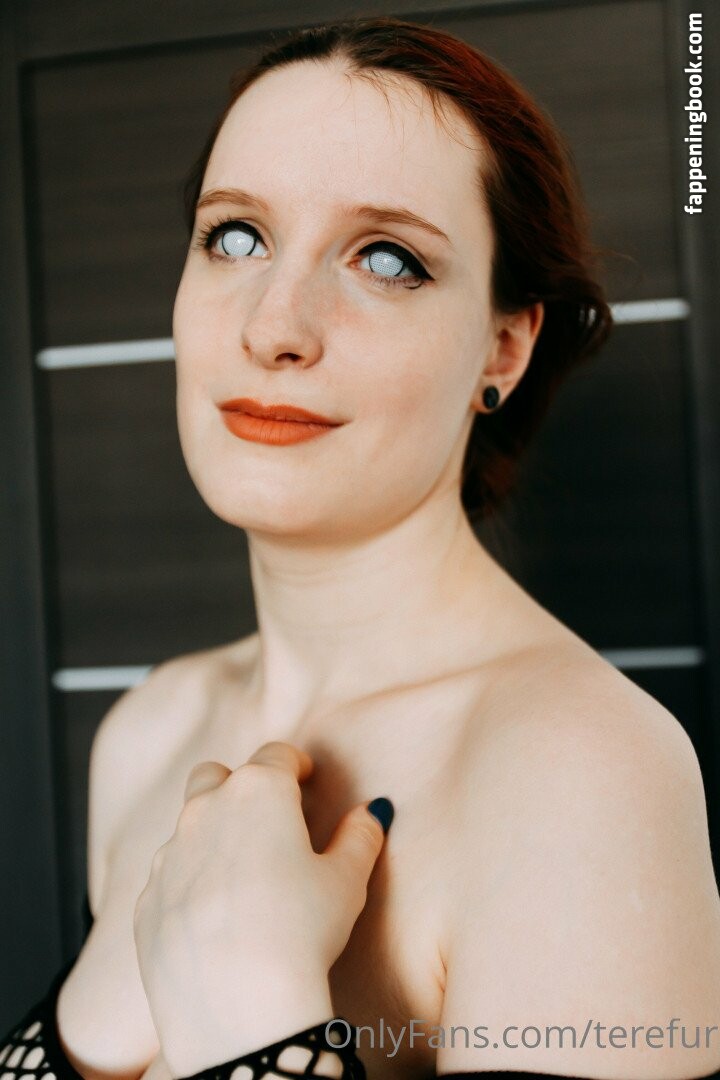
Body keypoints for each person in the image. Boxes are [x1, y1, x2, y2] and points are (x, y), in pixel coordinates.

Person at [3, 14, 720, 1080]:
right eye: (234, 237)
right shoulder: (151, 733)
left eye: (387, 258)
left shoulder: (582, 773)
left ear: (504, 346)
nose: (274, 327)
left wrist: (254, 1027)